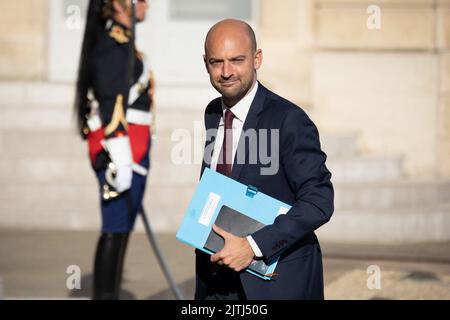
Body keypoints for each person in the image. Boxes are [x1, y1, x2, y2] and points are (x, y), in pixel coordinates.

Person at [195, 19, 334, 300]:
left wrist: (253, 246)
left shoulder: (289, 120)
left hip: (278, 283)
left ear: (257, 59)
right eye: (216, 62)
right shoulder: (213, 112)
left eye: (236, 60)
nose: (226, 72)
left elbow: (319, 201)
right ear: (205, 63)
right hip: (218, 280)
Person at [74, 0, 153, 299]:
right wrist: (121, 158)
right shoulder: (111, 44)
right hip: (122, 151)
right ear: (121, 5)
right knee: (114, 227)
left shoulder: (124, 42)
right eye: (142, 0)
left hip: (134, 148)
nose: (147, 5)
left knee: (120, 231)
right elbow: (111, 104)